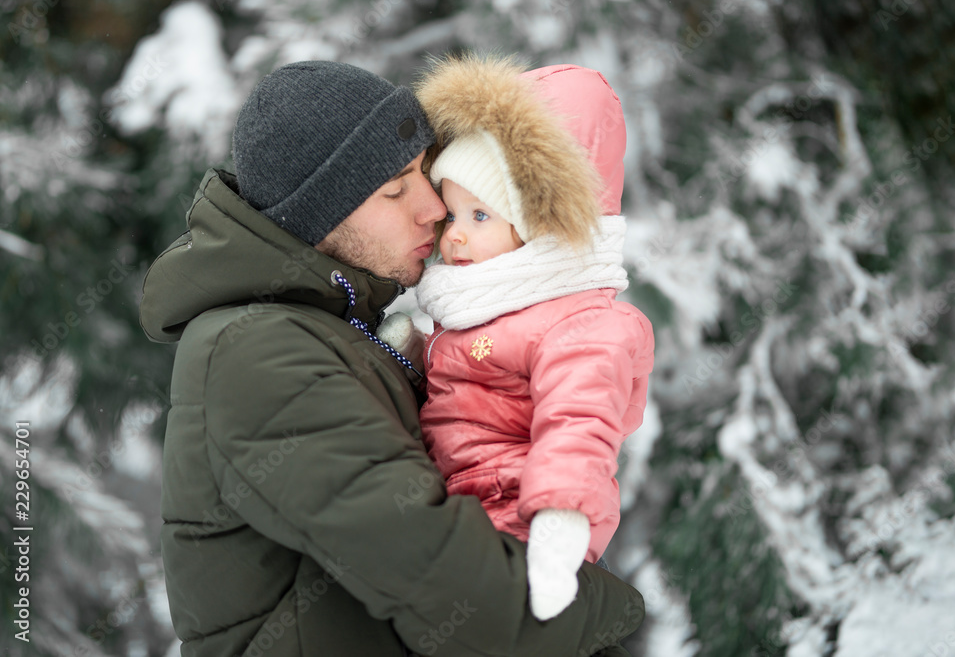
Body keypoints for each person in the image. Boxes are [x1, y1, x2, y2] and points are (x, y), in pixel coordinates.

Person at [138, 60, 643, 657]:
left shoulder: (337, 331)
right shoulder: (257, 352)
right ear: (322, 215)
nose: (434, 207)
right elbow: (464, 595)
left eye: (425, 174)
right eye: (396, 188)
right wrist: (618, 608)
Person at [409, 56, 655, 622]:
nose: (457, 236)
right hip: (453, 510)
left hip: (519, 517)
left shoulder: (578, 324)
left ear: (535, 229)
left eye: (479, 215)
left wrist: (559, 524)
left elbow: (580, 422)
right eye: (451, 217)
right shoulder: (480, 309)